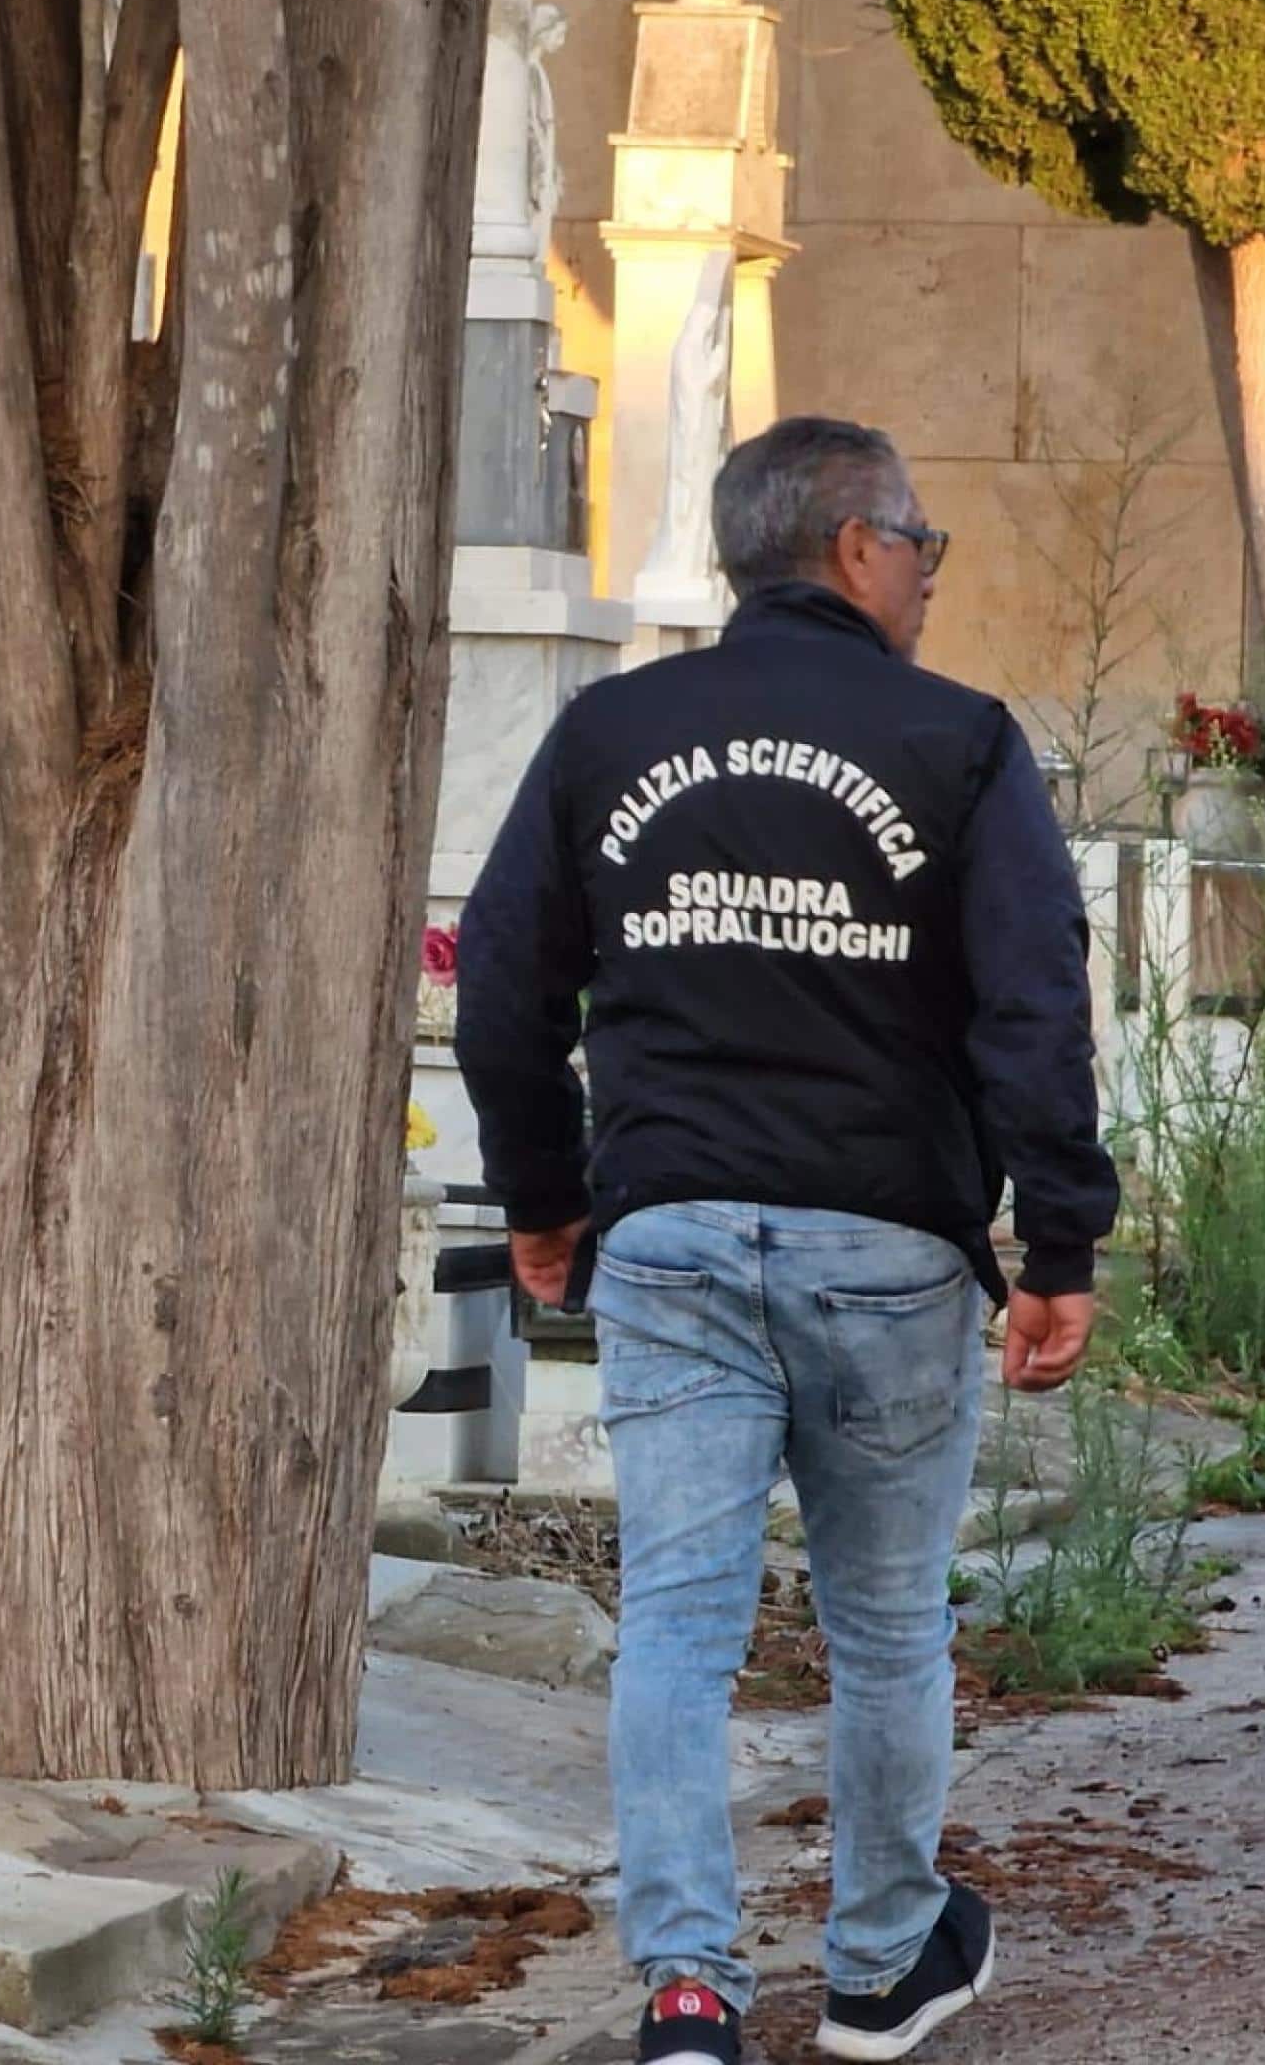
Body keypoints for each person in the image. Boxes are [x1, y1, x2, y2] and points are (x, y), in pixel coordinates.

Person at [456, 416, 1117, 2063]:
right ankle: (886, 1960)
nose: (931, 579)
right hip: (884, 1242)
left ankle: (687, 1993)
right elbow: (1036, 1008)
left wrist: (545, 1196)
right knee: (888, 1622)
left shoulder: (615, 731)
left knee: (680, 1615)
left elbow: (501, 982)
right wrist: (1061, 1245)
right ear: (851, 547)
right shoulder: (956, 743)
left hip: (671, 1233)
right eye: (924, 547)